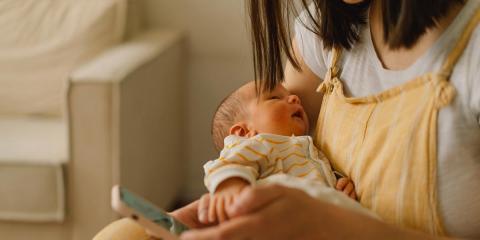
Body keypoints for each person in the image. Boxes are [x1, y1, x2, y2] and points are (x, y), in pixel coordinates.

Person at [95, 0, 480, 239]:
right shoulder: (323, 30)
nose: (292, 97)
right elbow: (248, 155)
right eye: (278, 96)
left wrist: (342, 225)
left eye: (283, 94)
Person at [199, 81, 359, 224]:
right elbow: (229, 163)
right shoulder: (257, 144)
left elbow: (320, 180)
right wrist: (230, 187)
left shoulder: (312, 149)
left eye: (290, 95)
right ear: (243, 132)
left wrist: (339, 188)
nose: (295, 98)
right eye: (275, 98)